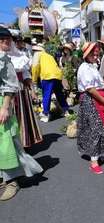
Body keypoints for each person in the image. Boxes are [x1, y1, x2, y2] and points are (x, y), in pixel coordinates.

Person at [0, 26, 43, 201]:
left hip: (14, 96)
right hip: (10, 96)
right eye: (3, 39)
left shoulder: (13, 58)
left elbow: (22, 78)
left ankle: (12, 179)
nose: (8, 42)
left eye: (9, 39)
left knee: (10, 139)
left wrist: (31, 91)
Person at [76, 42, 104, 175]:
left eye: (96, 52)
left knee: (103, 127)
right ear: (86, 55)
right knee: (95, 129)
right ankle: (94, 162)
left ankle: (101, 153)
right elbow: (90, 89)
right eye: (92, 53)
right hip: (90, 100)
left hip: (97, 98)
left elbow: (98, 84)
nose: (95, 54)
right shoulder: (84, 68)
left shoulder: (92, 67)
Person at [9, 32, 43, 147]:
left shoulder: (20, 57)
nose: (15, 43)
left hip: (20, 89)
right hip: (6, 91)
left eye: (16, 41)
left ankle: (23, 141)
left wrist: (32, 90)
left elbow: (26, 75)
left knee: (21, 116)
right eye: (15, 41)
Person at [31, 44, 70, 122]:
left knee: (46, 95)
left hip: (47, 76)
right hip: (57, 75)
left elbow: (35, 67)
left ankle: (46, 114)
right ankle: (66, 111)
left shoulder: (37, 55)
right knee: (59, 94)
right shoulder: (49, 55)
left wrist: (34, 80)